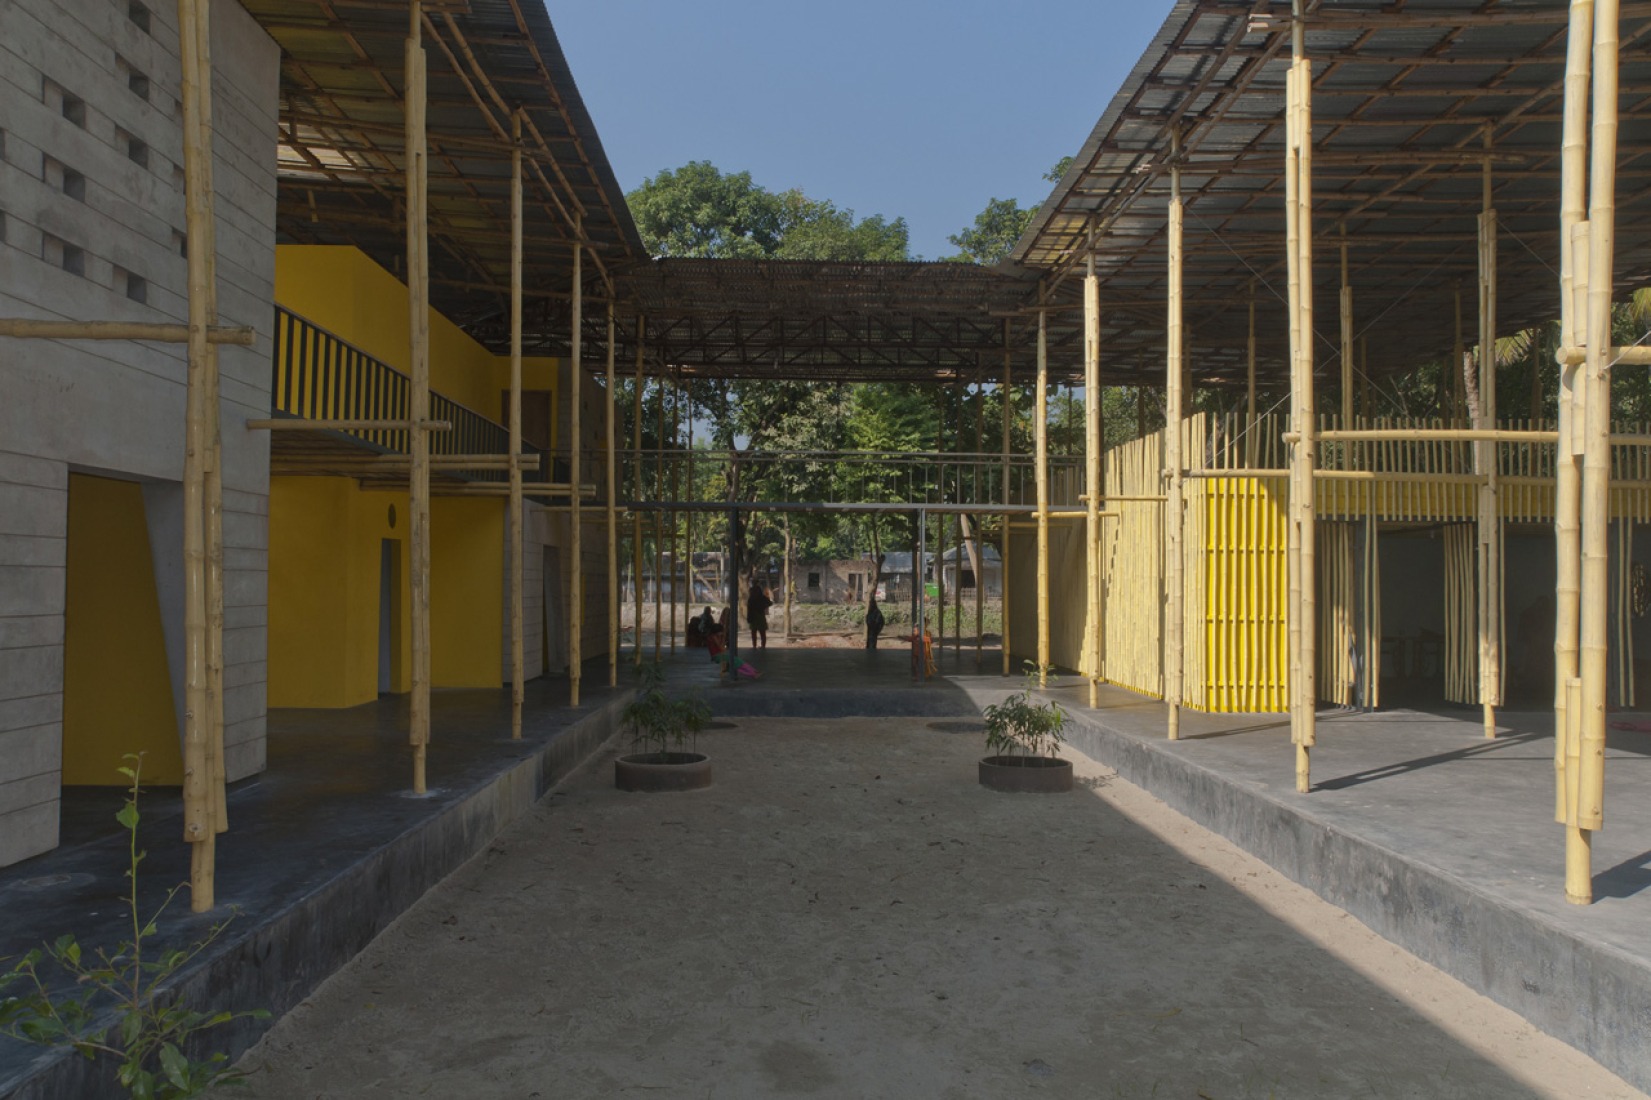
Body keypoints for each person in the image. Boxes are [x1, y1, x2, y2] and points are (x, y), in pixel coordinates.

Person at [747, 581, 773, 650]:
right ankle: (761, 646)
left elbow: (769, 603)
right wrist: (763, 606)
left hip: (755, 616)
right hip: (758, 616)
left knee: (755, 632)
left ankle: (755, 646)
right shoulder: (760, 597)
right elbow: (770, 603)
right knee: (761, 632)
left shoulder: (752, 598)